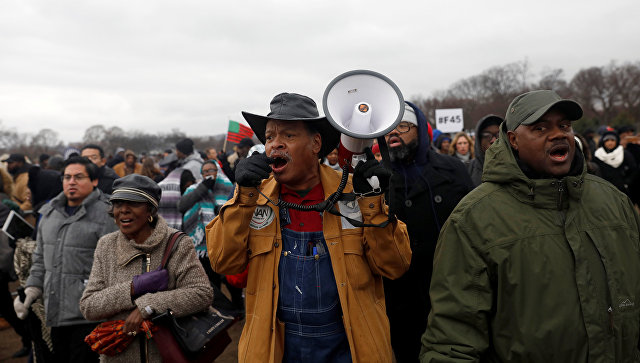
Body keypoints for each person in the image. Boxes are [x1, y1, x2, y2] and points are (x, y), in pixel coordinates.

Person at [421, 90, 640, 361]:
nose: (558, 134)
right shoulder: (473, 219)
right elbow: (453, 338)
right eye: (540, 128)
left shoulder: (614, 202)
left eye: (564, 126)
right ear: (513, 140)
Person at [207, 92, 411, 362]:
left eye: (288, 136)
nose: (274, 145)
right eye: (269, 137)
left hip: (347, 347)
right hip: (278, 348)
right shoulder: (251, 197)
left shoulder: (354, 192)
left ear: (316, 143)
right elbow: (223, 262)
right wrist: (243, 197)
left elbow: (394, 266)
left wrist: (372, 203)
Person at [80, 174, 213, 362]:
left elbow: (201, 294)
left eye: (133, 203)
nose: (123, 211)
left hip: (166, 355)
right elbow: (89, 306)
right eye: (118, 204)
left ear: (150, 209)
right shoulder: (106, 245)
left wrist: (148, 306)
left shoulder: (176, 243)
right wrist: (132, 288)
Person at [384, 102, 473, 363]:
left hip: (449, 289)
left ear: (420, 130)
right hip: (399, 298)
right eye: (389, 127)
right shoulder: (376, 178)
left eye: (403, 125)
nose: (394, 133)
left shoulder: (453, 169)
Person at [13, 156, 117, 362]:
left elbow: (115, 265)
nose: (71, 182)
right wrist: (31, 290)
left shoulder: (108, 214)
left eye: (79, 177)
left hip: (90, 317)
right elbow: (40, 258)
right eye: (67, 177)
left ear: (94, 181)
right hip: (56, 313)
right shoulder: (49, 213)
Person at [593, 130, 638, 204]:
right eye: (607, 140)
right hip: (603, 190)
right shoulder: (598, 155)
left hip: (621, 190)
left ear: (616, 141)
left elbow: (634, 169)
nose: (610, 143)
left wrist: (626, 183)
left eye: (612, 140)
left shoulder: (624, 153)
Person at [468, 115, 503, 186]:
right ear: (478, 140)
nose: (494, 140)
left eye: (499, 135)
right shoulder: (468, 170)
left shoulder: (520, 169)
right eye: (487, 135)